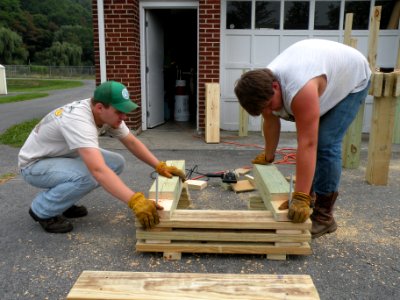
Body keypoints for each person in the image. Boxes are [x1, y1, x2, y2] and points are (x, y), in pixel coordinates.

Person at [234, 39, 371, 238]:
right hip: (321, 69)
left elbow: (308, 143)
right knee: (312, 133)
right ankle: (311, 197)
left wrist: (299, 197)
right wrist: (268, 155)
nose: (269, 111)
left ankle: (324, 217)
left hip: (352, 78)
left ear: (275, 86)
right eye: (263, 109)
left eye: (269, 105)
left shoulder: (299, 89)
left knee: (325, 143)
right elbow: (271, 120)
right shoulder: (263, 88)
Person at [18, 80, 186, 233]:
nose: (124, 117)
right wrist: (135, 201)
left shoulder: (104, 113)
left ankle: (63, 202)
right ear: (99, 107)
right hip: (35, 165)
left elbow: (131, 142)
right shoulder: (79, 120)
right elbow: (98, 170)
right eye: (119, 112)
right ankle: (43, 210)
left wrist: (159, 166)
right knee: (90, 175)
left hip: (61, 157)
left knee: (115, 163)